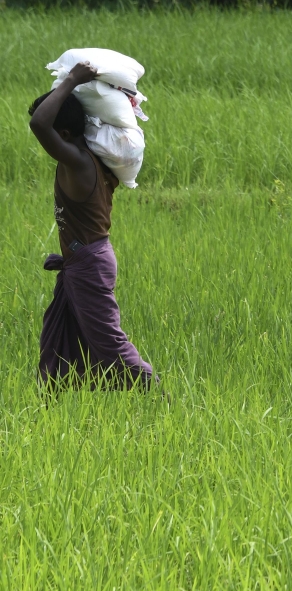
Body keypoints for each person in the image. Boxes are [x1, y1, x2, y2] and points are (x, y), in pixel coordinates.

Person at [29, 62, 155, 391]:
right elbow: (46, 123)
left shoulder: (80, 162)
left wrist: (71, 80)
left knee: (111, 344)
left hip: (88, 265)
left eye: (55, 138)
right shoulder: (87, 157)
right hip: (83, 262)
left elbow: (39, 124)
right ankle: (47, 408)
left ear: (66, 135)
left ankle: (160, 398)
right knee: (56, 336)